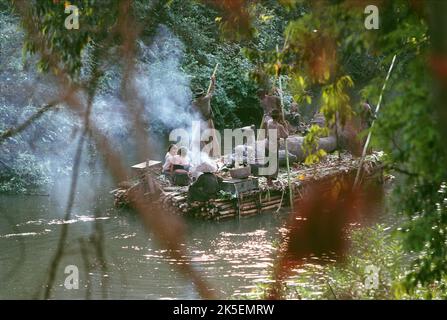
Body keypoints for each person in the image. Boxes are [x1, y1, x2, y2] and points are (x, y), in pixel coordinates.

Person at [193, 74, 219, 157]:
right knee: (213, 138)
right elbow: (212, 91)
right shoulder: (206, 99)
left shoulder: (194, 103)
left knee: (201, 139)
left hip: (200, 122)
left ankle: (205, 154)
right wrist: (213, 81)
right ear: (202, 94)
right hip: (208, 121)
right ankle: (214, 154)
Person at [265, 109, 289, 186]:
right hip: (274, 145)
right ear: (279, 117)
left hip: (267, 144)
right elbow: (286, 135)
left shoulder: (269, 123)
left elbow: (267, 118)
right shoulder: (279, 126)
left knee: (269, 162)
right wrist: (285, 125)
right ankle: (270, 181)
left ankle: (268, 180)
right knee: (273, 163)